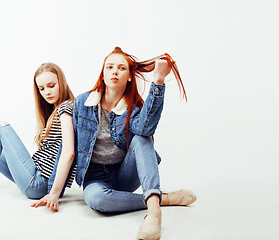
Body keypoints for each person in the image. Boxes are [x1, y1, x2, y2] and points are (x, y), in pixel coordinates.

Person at [72, 47, 196, 240]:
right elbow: (68, 148)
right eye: (109, 67)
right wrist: (54, 191)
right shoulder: (82, 103)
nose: (114, 71)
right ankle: (163, 198)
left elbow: (146, 130)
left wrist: (159, 80)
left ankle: (154, 213)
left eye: (121, 68)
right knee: (96, 199)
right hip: (95, 178)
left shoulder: (134, 109)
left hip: (124, 174)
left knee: (141, 136)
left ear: (129, 76)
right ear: (103, 74)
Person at [0, 63, 75, 212]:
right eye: (41, 89)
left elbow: (69, 152)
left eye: (51, 85)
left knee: (2, 126)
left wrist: (54, 193)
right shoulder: (55, 111)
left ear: (62, 82)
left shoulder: (66, 108)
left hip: (39, 183)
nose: (47, 92)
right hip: (36, 181)